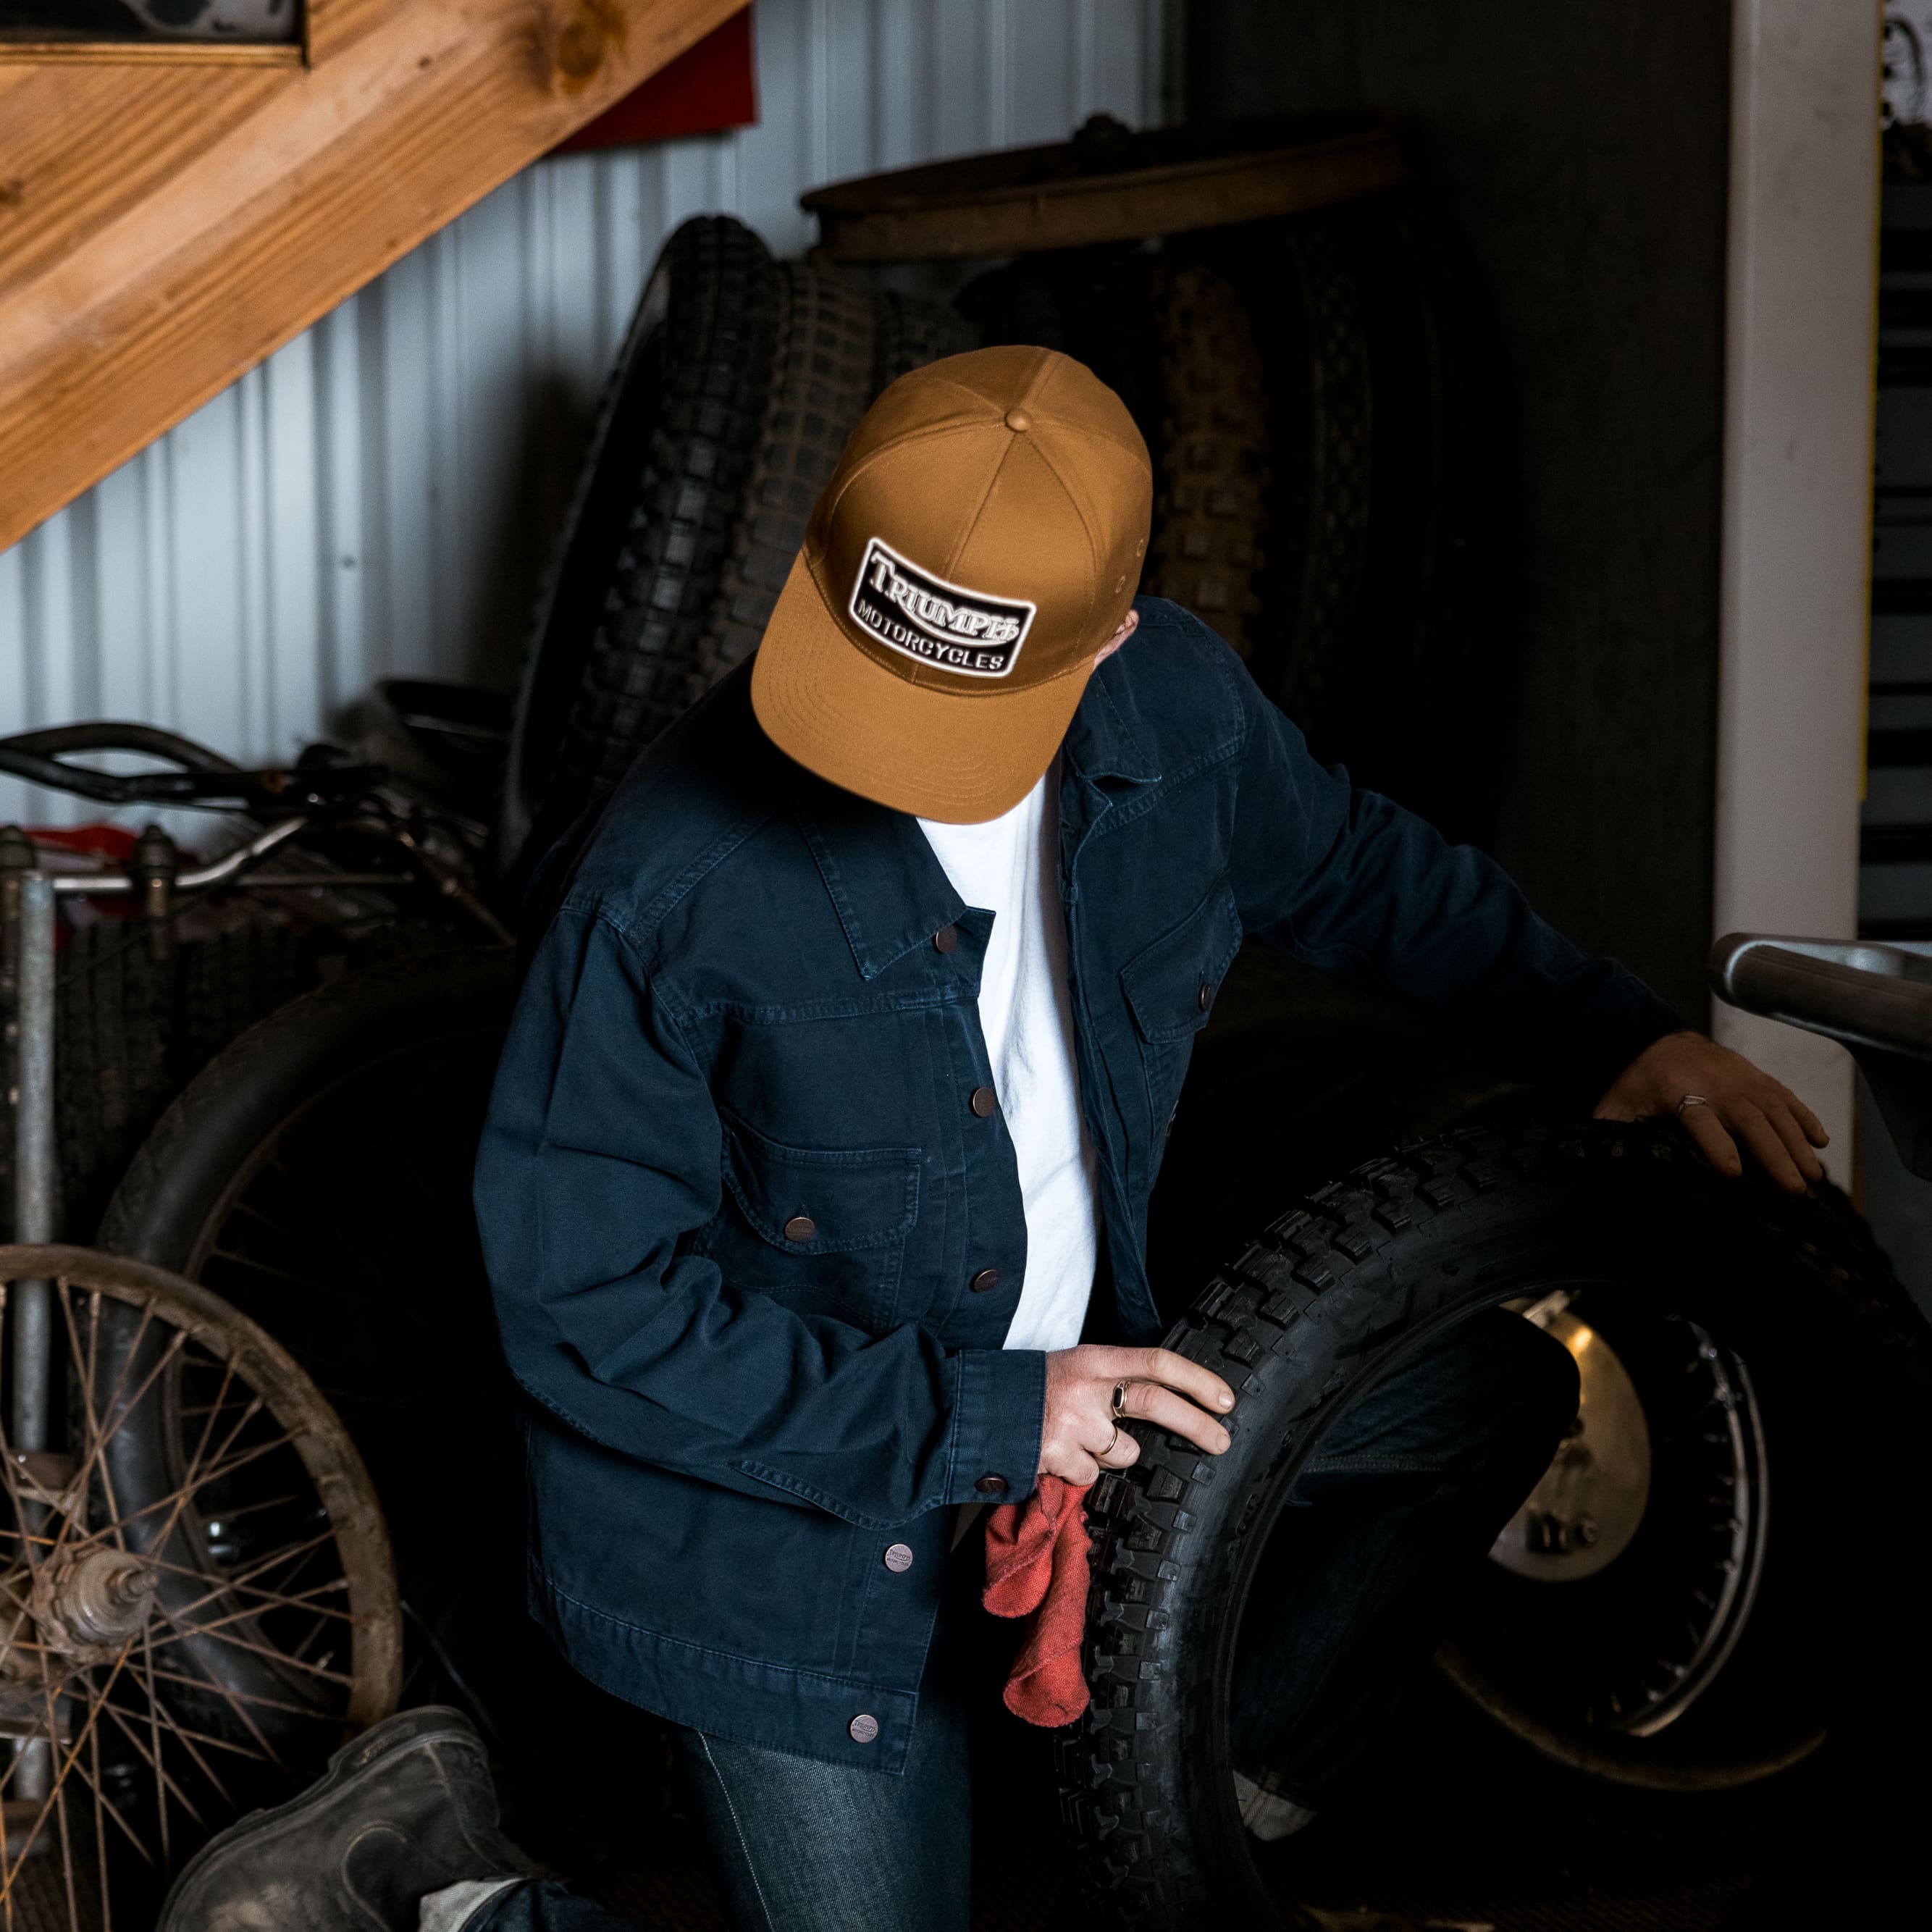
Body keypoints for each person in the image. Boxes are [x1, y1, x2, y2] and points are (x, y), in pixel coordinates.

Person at [159, 346, 1828, 1932]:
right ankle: (453, 1892)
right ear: (825, 564)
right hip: (781, 1532)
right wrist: (983, 1409)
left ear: (1107, 641)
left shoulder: (1173, 710)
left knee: (1488, 1394)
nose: (884, 757)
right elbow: (585, 1300)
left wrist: (1617, 1028)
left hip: (1091, 1404)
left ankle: (1214, 1806)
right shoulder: (670, 881)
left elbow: (1364, 874)